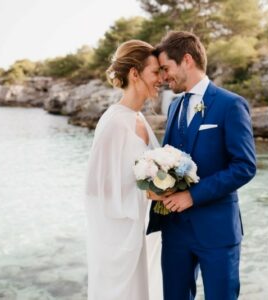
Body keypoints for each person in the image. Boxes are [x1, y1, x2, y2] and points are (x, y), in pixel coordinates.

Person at [147, 31, 257, 300]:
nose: (162, 77)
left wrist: (192, 196)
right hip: (175, 232)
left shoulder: (230, 104)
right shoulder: (173, 107)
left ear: (187, 60)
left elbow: (244, 166)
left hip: (217, 232)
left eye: (166, 69)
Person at [85, 40, 163, 300]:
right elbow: (96, 189)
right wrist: (150, 192)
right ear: (134, 74)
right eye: (155, 72)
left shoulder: (138, 118)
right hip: (118, 238)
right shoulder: (115, 122)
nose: (161, 79)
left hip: (139, 230)